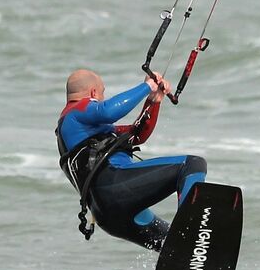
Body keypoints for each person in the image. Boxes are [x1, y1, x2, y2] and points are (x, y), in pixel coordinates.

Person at [56, 68, 207, 251]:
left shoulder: (86, 132)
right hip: (115, 189)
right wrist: (147, 86)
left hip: (108, 214)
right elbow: (108, 111)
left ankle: (188, 266)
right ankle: (191, 229)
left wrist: (153, 100)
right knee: (191, 165)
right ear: (94, 93)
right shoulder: (74, 113)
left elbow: (137, 135)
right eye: (102, 93)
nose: (103, 98)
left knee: (175, 246)